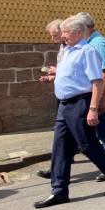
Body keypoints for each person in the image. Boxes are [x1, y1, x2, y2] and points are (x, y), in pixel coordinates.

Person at [34, 16, 105, 208]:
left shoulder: (87, 51)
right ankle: (59, 191)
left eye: (65, 32)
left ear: (77, 33)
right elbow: (69, 75)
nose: (62, 36)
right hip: (64, 106)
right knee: (60, 147)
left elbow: (97, 82)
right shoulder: (67, 50)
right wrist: (53, 77)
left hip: (80, 104)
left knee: (87, 145)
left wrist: (93, 109)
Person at [77, 12, 105, 180]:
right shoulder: (88, 43)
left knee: (104, 132)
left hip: (102, 93)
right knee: (96, 132)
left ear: (84, 28)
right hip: (93, 94)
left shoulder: (99, 43)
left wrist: (102, 98)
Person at [36, 19, 66, 180]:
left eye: (54, 35)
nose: (52, 39)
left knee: (86, 140)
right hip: (62, 96)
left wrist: (58, 70)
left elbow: (75, 71)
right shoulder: (63, 46)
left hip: (72, 98)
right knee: (62, 135)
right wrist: (52, 77)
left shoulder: (76, 48)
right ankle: (57, 170)